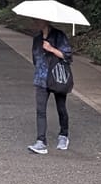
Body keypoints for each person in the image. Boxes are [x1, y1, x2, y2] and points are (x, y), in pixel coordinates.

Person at [28, 20, 72, 154]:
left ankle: (63, 135)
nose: (36, 23)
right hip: (41, 78)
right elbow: (35, 58)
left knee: (61, 108)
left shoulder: (59, 36)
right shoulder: (37, 38)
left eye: (38, 21)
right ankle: (41, 141)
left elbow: (67, 56)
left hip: (57, 77)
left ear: (45, 21)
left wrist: (51, 49)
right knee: (40, 110)